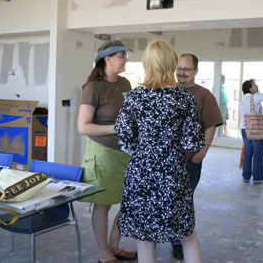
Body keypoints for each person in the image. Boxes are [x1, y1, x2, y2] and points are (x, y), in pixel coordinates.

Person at [115, 40, 205, 263]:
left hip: (142, 172)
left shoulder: (135, 97)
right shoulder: (184, 98)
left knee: (145, 238)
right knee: (187, 234)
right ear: (171, 64)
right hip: (173, 171)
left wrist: (145, 151)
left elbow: (124, 137)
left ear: (148, 63)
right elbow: (192, 143)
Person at [77, 40, 137, 263]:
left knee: (129, 201)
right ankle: (104, 252)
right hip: (102, 152)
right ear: (107, 59)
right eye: (122, 55)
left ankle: (114, 245)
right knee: (103, 205)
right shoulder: (93, 87)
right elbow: (83, 127)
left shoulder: (125, 83)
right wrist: (116, 128)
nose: (125, 60)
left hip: (126, 152)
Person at [171, 53, 223, 259]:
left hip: (190, 160)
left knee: (183, 202)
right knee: (167, 199)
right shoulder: (169, 91)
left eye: (187, 69)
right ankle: (165, 234)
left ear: (196, 72)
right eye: (179, 69)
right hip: (168, 160)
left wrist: (201, 154)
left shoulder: (204, 95)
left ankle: (178, 240)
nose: (182, 73)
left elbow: (210, 126)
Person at [240, 74, 263, 184]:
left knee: (248, 153)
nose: (256, 86)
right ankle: (258, 177)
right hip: (255, 129)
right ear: (250, 89)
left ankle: (246, 176)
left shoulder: (243, 100)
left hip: (244, 129)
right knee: (257, 153)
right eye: (254, 85)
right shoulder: (255, 98)